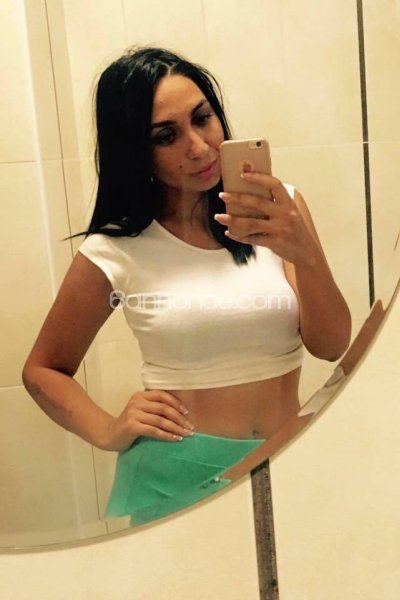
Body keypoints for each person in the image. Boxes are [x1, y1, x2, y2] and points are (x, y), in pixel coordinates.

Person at [22, 47, 351, 525]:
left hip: (287, 459)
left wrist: (305, 253)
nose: (198, 147)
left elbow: (332, 345)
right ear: (136, 151)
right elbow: (42, 369)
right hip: (173, 476)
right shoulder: (117, 247)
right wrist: (108, 430)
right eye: (166, 136)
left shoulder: (280, 209)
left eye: (202, 118)